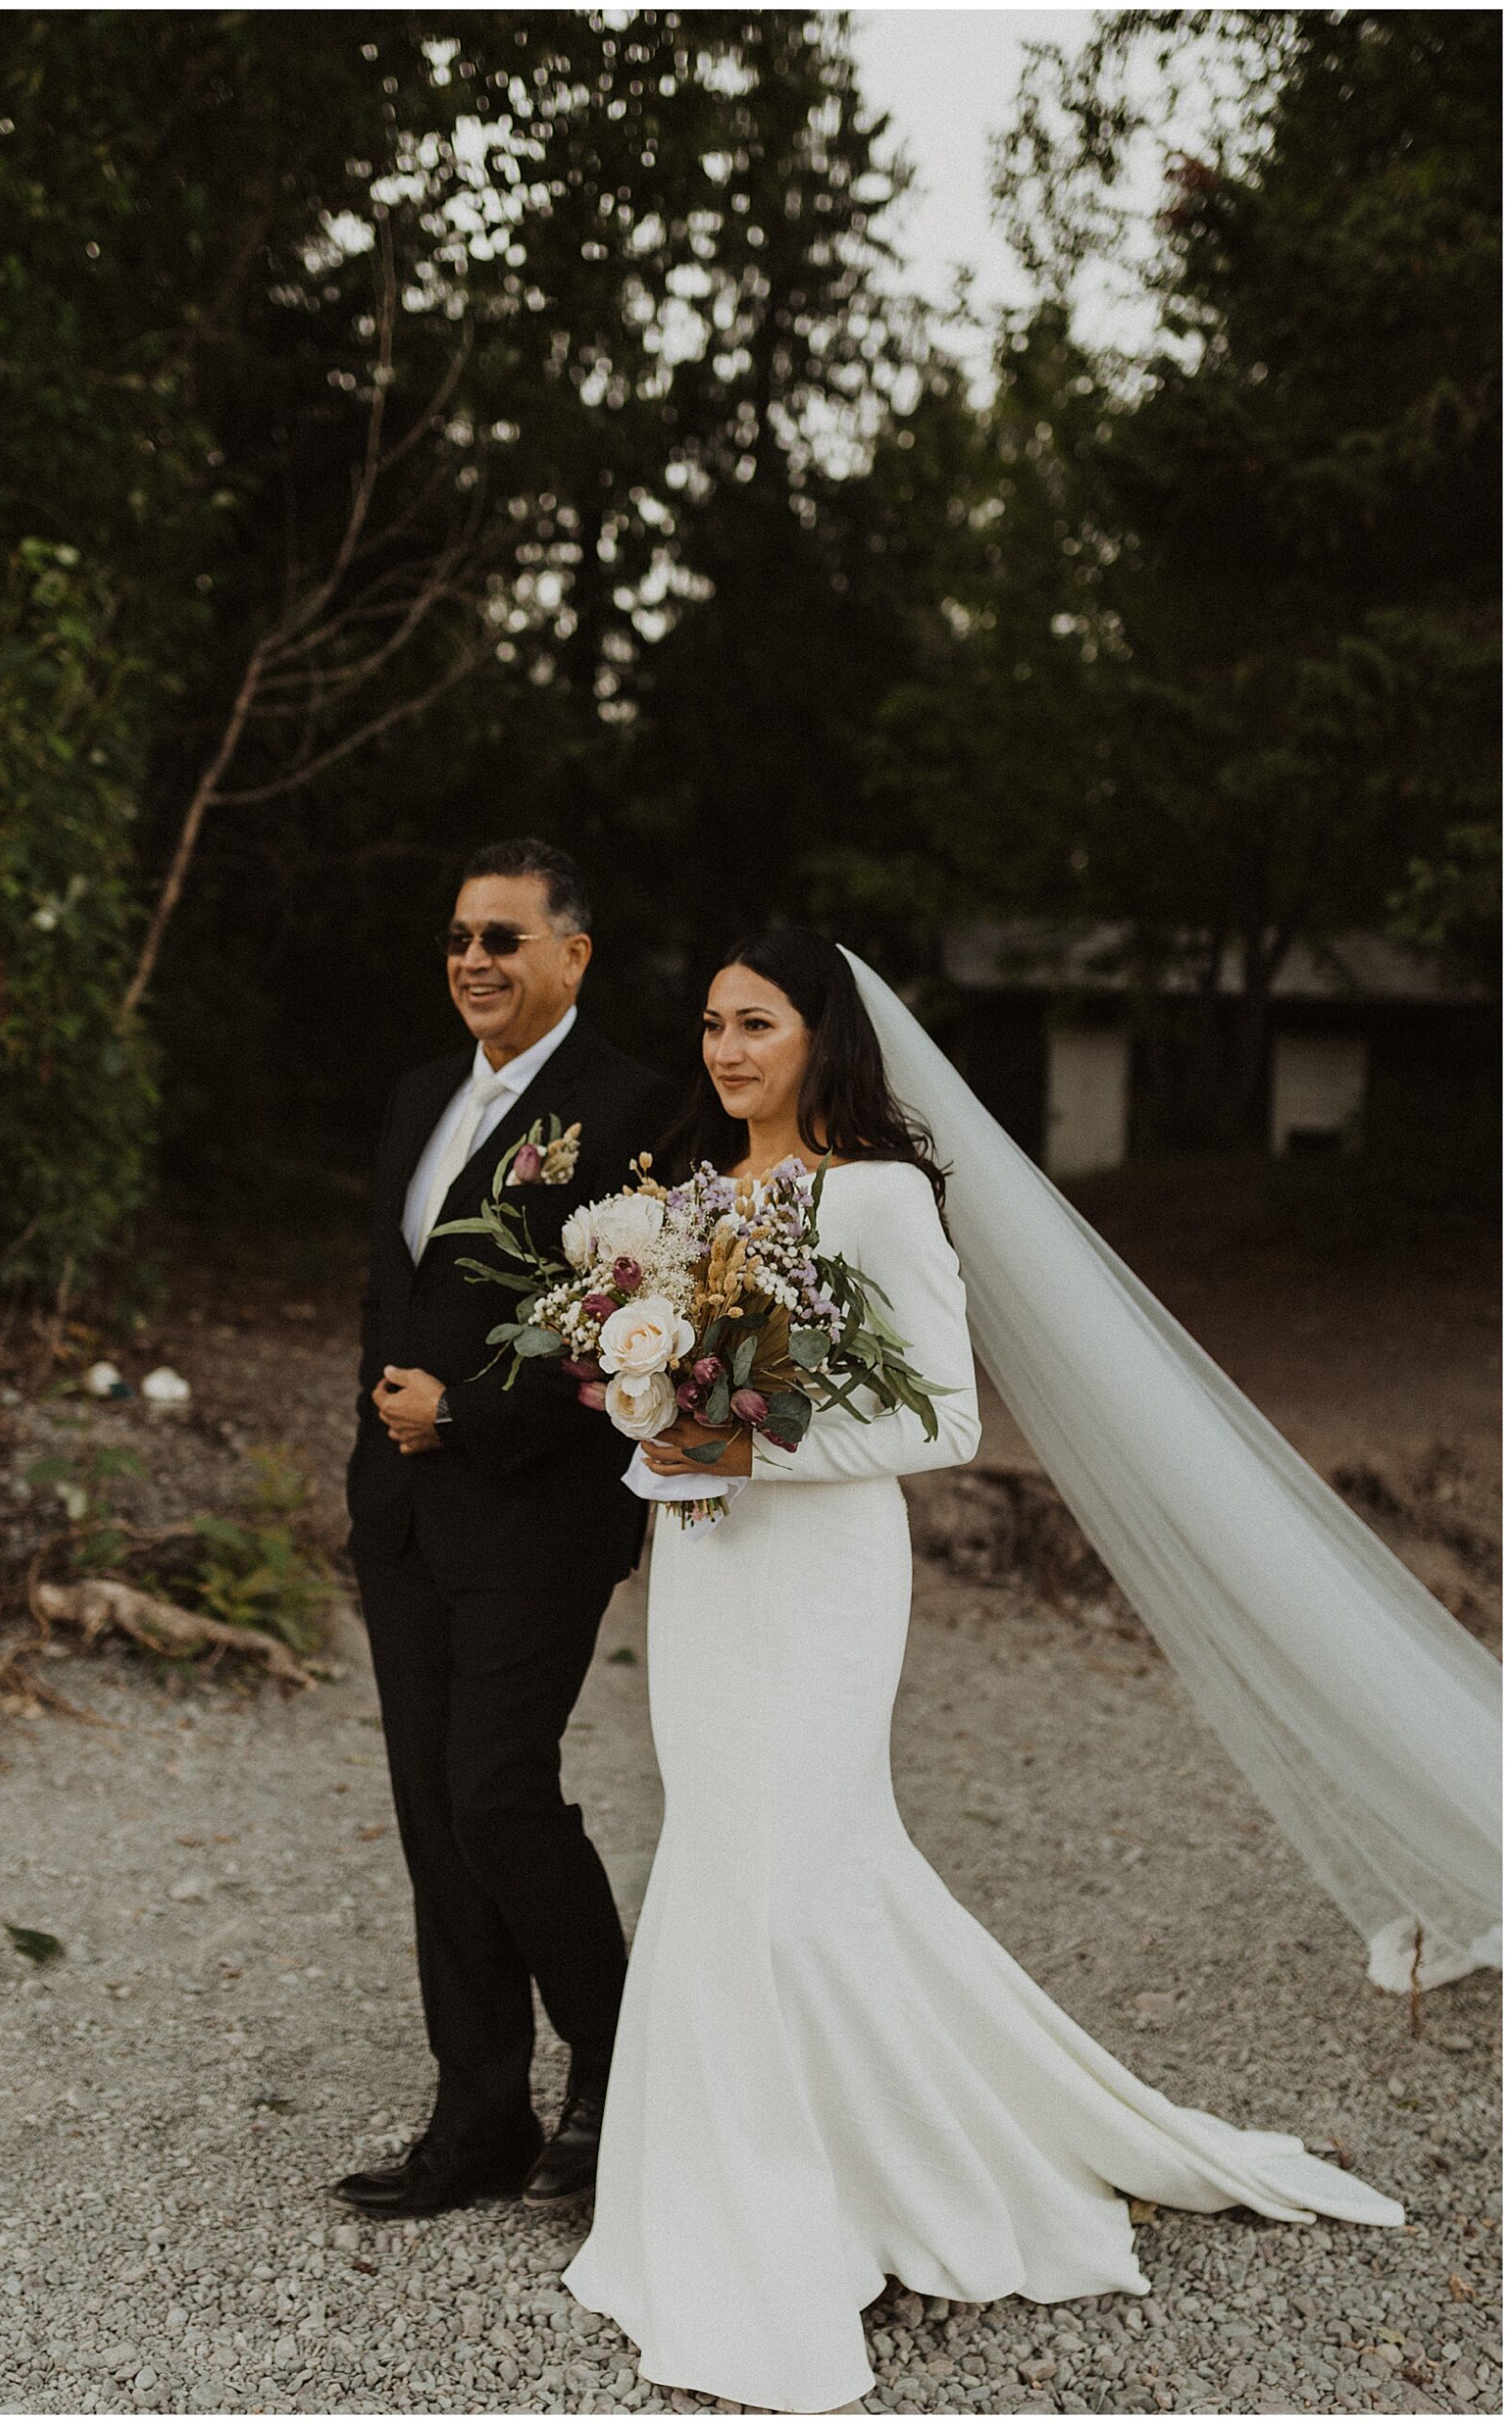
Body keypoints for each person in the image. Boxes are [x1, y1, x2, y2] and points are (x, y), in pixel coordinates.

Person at [562, 929, 1406, 2415]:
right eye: (709, 1026)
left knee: (795, 1864)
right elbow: (677, 1383)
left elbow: (947, 1422)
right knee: (717, 1852)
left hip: (819, 1571)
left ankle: (827, 2185)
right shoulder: (691, 1201)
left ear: (826, 1037)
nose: (726, 1052)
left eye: (756, 1024)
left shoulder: (878, 1196)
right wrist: (654, 1404)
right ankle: (721, 2172)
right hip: (707, 1564)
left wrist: (760, 1440)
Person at [335, 838, 669, 2219]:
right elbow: (393, 1298)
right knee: (432, 1815)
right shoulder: (420, 1093)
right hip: (404, 1517)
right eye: (461, 938)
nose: (474, 960)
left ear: (571, 956)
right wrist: (388, 1456)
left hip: (536, 1514)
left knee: (496, 1795)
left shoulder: (635, 1108)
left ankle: (621, 2070)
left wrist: (467, 1415)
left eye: (505, 939)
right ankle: (477, 2109)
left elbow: (632, 1334)